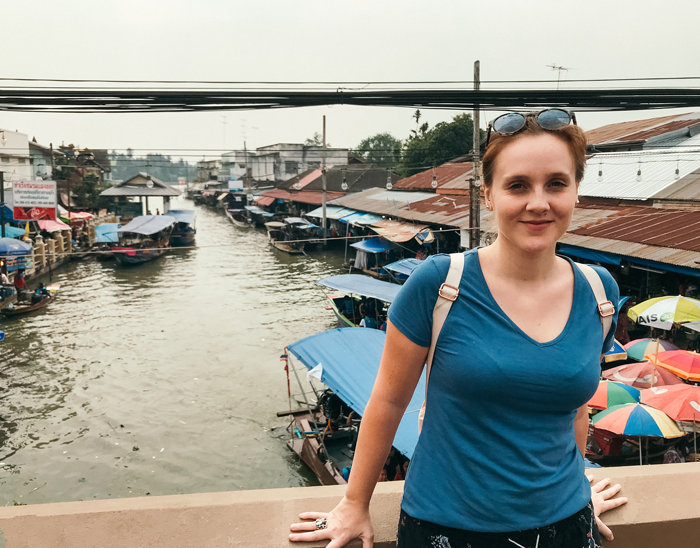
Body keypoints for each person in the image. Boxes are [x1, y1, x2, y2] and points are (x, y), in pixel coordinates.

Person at [290, 109, 628, 548]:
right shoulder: (439, 283)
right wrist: (355, 502)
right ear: (488, 194)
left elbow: (575, 410)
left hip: (567, 525)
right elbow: (389, 401)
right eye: (518, 185)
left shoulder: (598, 291)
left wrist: (578, 486)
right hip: (447, 528)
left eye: (557, 184)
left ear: (576, 191)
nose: (539, 203)